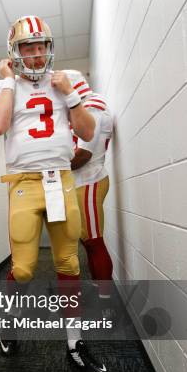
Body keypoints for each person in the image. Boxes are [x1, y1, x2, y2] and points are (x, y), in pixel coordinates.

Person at [0, 15, 109, 372]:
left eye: (41, 47)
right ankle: (9, 321)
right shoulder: (1, 85)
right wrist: (8, 82)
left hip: (62, 180)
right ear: (15, 52)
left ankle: (74, 343)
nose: (36, 55)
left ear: (49, 48)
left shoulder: (70, 80)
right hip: (23, 183)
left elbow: (88, 131)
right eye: (27, 48)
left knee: (69, 263)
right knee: (23, 269)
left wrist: (69, 92)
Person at [70, 92, 114, 313]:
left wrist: (54, 165)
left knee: (95, 242)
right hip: (82, 183)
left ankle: (107, 304)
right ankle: (99, 290)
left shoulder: (92, 107)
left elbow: (83, 155)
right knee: (87, 241)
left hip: (90, 181)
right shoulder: (85, 108)